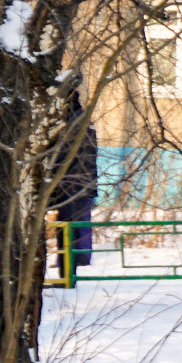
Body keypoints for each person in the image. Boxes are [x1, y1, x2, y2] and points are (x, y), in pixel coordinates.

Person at [51, 98, 98, 282]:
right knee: (72, 230)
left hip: (71, 187)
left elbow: (63, 158)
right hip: (82, 186)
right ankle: (69, 273)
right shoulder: (85, 123)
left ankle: (68, 276)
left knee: (67, 232)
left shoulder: (71, 127)